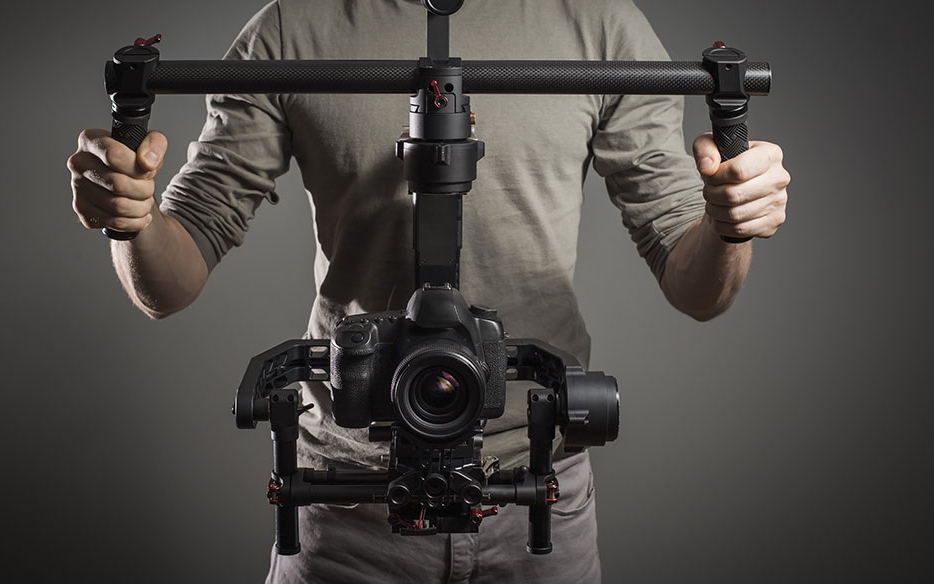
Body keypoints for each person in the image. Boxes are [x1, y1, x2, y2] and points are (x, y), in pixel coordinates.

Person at [67, 1, 789, 582]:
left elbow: (696, 285)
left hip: (537, 491)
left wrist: (730, 224)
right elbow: (171, 277)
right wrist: (131, 219)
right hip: (348, 494)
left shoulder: (602, 24)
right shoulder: (290, 28)